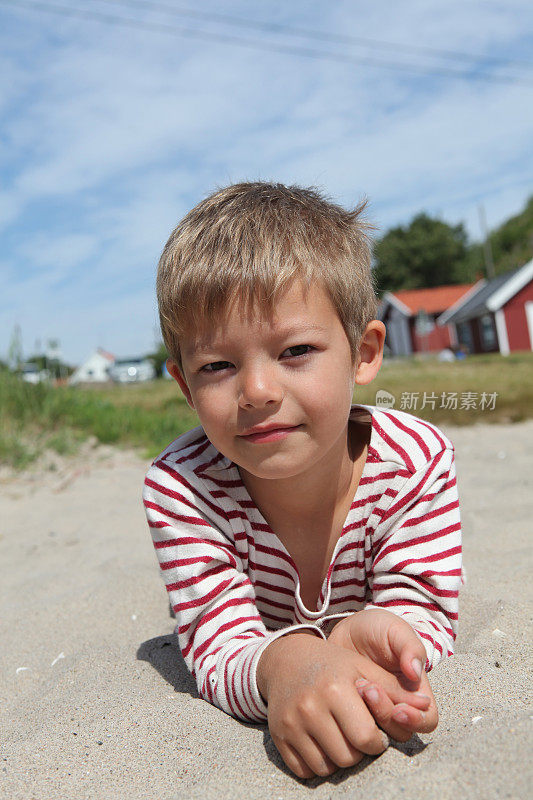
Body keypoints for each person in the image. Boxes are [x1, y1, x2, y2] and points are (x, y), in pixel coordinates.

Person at [143, 182, 462, 779]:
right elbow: (218, 646)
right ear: (185, 386)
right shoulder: (182, 488)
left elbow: (427, 614)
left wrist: (378, 636)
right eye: (217, 366)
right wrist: (287, 664)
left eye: (294, 351)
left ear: (363, 354)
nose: (258, 391)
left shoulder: (415, 462)